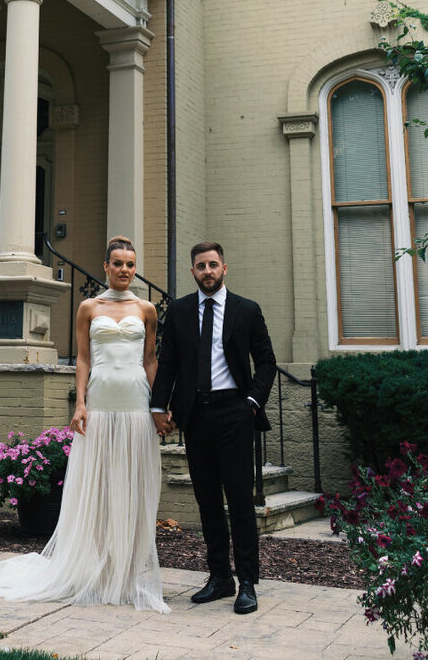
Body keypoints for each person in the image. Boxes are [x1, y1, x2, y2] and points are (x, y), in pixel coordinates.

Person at [0, 235, 170, 613]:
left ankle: (124, 574)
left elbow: (150, 360)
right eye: (118, 263)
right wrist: (80, 403)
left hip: (136, 407)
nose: (124, 270)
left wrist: (158, 406)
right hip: (100, 405)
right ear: (106, 266)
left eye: (130, 264)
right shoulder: (88, 307)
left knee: (131, 487)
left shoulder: (147, 309)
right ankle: (92, 570)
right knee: (100, 488)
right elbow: (82, 359)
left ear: (135, 267)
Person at [151, 241, 276, 616]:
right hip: (197, 417)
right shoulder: (181, 311)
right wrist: (159, 407)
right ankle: (220, 577)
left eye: (213, 265)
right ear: (193, 271)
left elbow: (267, 362)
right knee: (207, 501)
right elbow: (168, 361)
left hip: (235, 414)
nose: (207, 271)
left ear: (225, 268)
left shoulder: (246, 310)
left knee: (239, 500)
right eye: (201, 266)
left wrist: (252, 403)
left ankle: (248, 582)